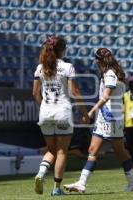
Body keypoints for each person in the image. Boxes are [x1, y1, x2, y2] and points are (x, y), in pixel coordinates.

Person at [63, 48, 133, 193]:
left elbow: (105, 97)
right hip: (108, 117)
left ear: (98, 60)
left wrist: (91, 112)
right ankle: (82, 183)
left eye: (96, 60)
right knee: (95, 150)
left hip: (110, 118)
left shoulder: (109, 74)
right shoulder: (113, 73)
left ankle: (132, 183)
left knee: (119, 152)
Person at [33, 36, 89, 196]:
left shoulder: (40, 68)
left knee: (50, 150)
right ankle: (56, 188)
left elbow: (35, 94)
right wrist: (85, 113)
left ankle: (41, 173)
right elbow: (75, 92)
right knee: (62, 151)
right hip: (62, 112)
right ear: (62, 50)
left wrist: (44, 106)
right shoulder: (67, 67)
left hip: (45, 113)